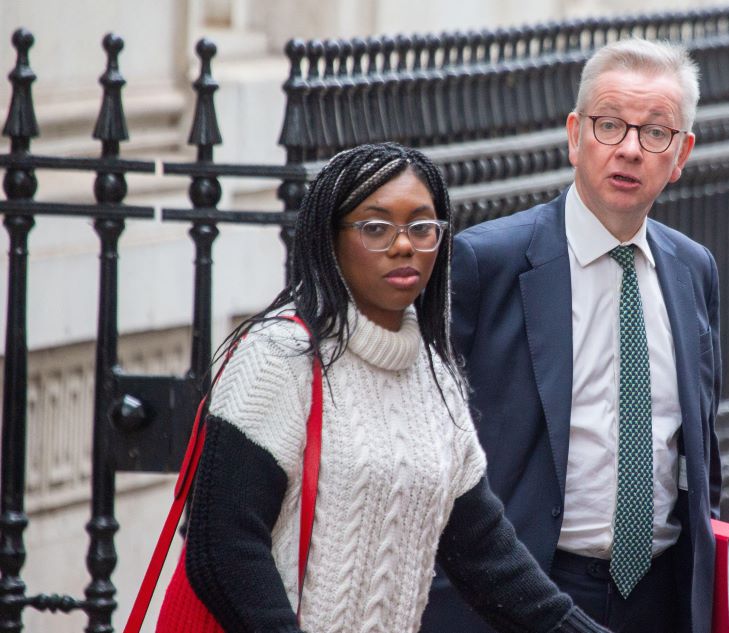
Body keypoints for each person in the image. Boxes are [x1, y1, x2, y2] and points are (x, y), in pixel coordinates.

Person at [157, 143, 610, 633]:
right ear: (329, 240)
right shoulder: (278, 356)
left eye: (422, 227)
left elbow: (486, 556)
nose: (403, 245)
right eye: (375, 227)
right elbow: (222, 549)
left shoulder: (434, 376)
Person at [422, 38, 722, 633]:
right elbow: (433, 451)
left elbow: (699, 449)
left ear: (681, 152)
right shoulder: (487, 262)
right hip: (529, 589)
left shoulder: (693, 269)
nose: (630, 150)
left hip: (662, 596)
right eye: (609, 125)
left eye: (655, 133)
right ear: (574, 135)